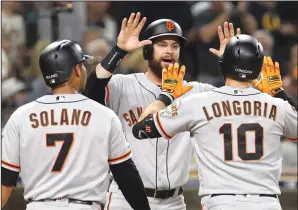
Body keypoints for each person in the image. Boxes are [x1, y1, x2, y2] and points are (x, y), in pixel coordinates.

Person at [83, 12, 239, 210]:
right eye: (162, 45)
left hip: (174, 202)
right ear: (147, 51)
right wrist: (119, 51)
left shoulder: (195, 90)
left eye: (175, 46)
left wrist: (231, 63)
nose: (169, 51)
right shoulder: (124, 85)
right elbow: (91, 90)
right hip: (126, 200)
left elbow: (235, 101)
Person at [132, 34, 297, 210]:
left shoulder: (197, 102)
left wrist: (166, 96)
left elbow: (141, 129)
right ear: (258, 69)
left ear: (222, 65)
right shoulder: (278, 106)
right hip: (267, 203)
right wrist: (279, 93)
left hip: (221, 202)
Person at [1, 40, 151, 210]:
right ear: (76, 70)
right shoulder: (103, 115)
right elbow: (127, 176)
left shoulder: (21, 116)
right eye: (83, 65)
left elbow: (5, 181)